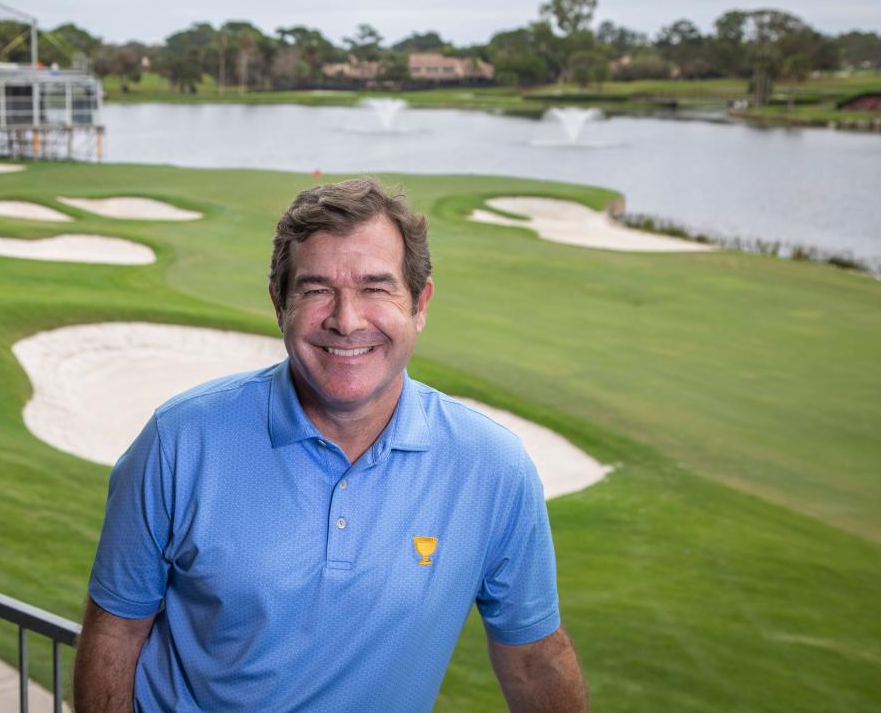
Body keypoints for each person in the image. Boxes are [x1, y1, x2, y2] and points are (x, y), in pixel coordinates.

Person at [75, 179, 587, 712]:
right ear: (280, 303)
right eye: (317, 289)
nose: (346, 320)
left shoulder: (493, 468)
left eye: (375, 287)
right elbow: (115, 631)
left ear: (420, 303)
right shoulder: (177, 441)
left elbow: (532, 658)